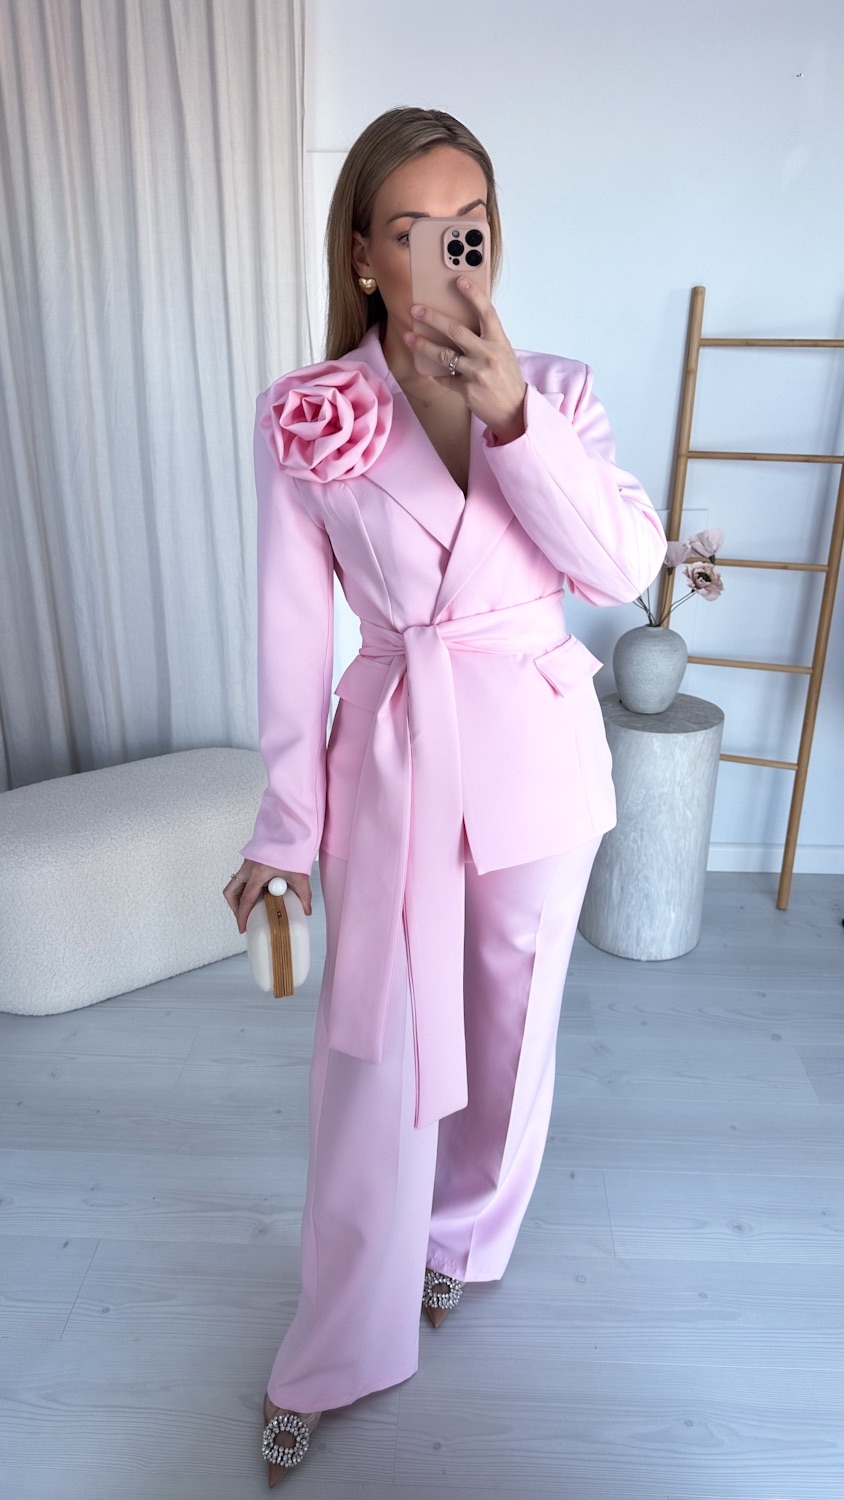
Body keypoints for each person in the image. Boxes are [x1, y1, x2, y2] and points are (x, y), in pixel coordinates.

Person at [224, 106, 667, 1486]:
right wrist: (285, 829)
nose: (442, 259)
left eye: (465, 230)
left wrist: (512, 417)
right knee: (373, 1061)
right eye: (409, 233)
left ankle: (460, 1245)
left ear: (493, 238)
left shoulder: (560, 394)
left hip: (535, 759)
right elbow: (292, 635)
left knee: (511, 1028)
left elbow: (621, 571)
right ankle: (332, 1346)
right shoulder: (312, 415)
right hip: (395, 761)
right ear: (363, 254)